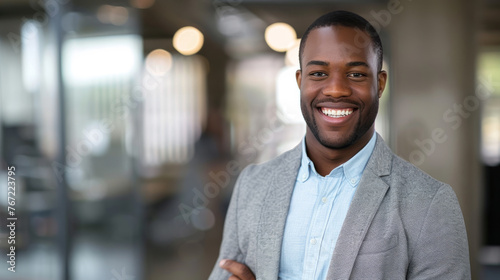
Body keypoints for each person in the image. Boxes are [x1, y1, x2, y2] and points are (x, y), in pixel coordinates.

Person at [209, 10, 470, 280]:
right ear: (300, 82)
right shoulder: (253, 185)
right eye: (319, 73)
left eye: (356, 75)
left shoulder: (429, 202)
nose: (336, 89)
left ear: (379, 84)